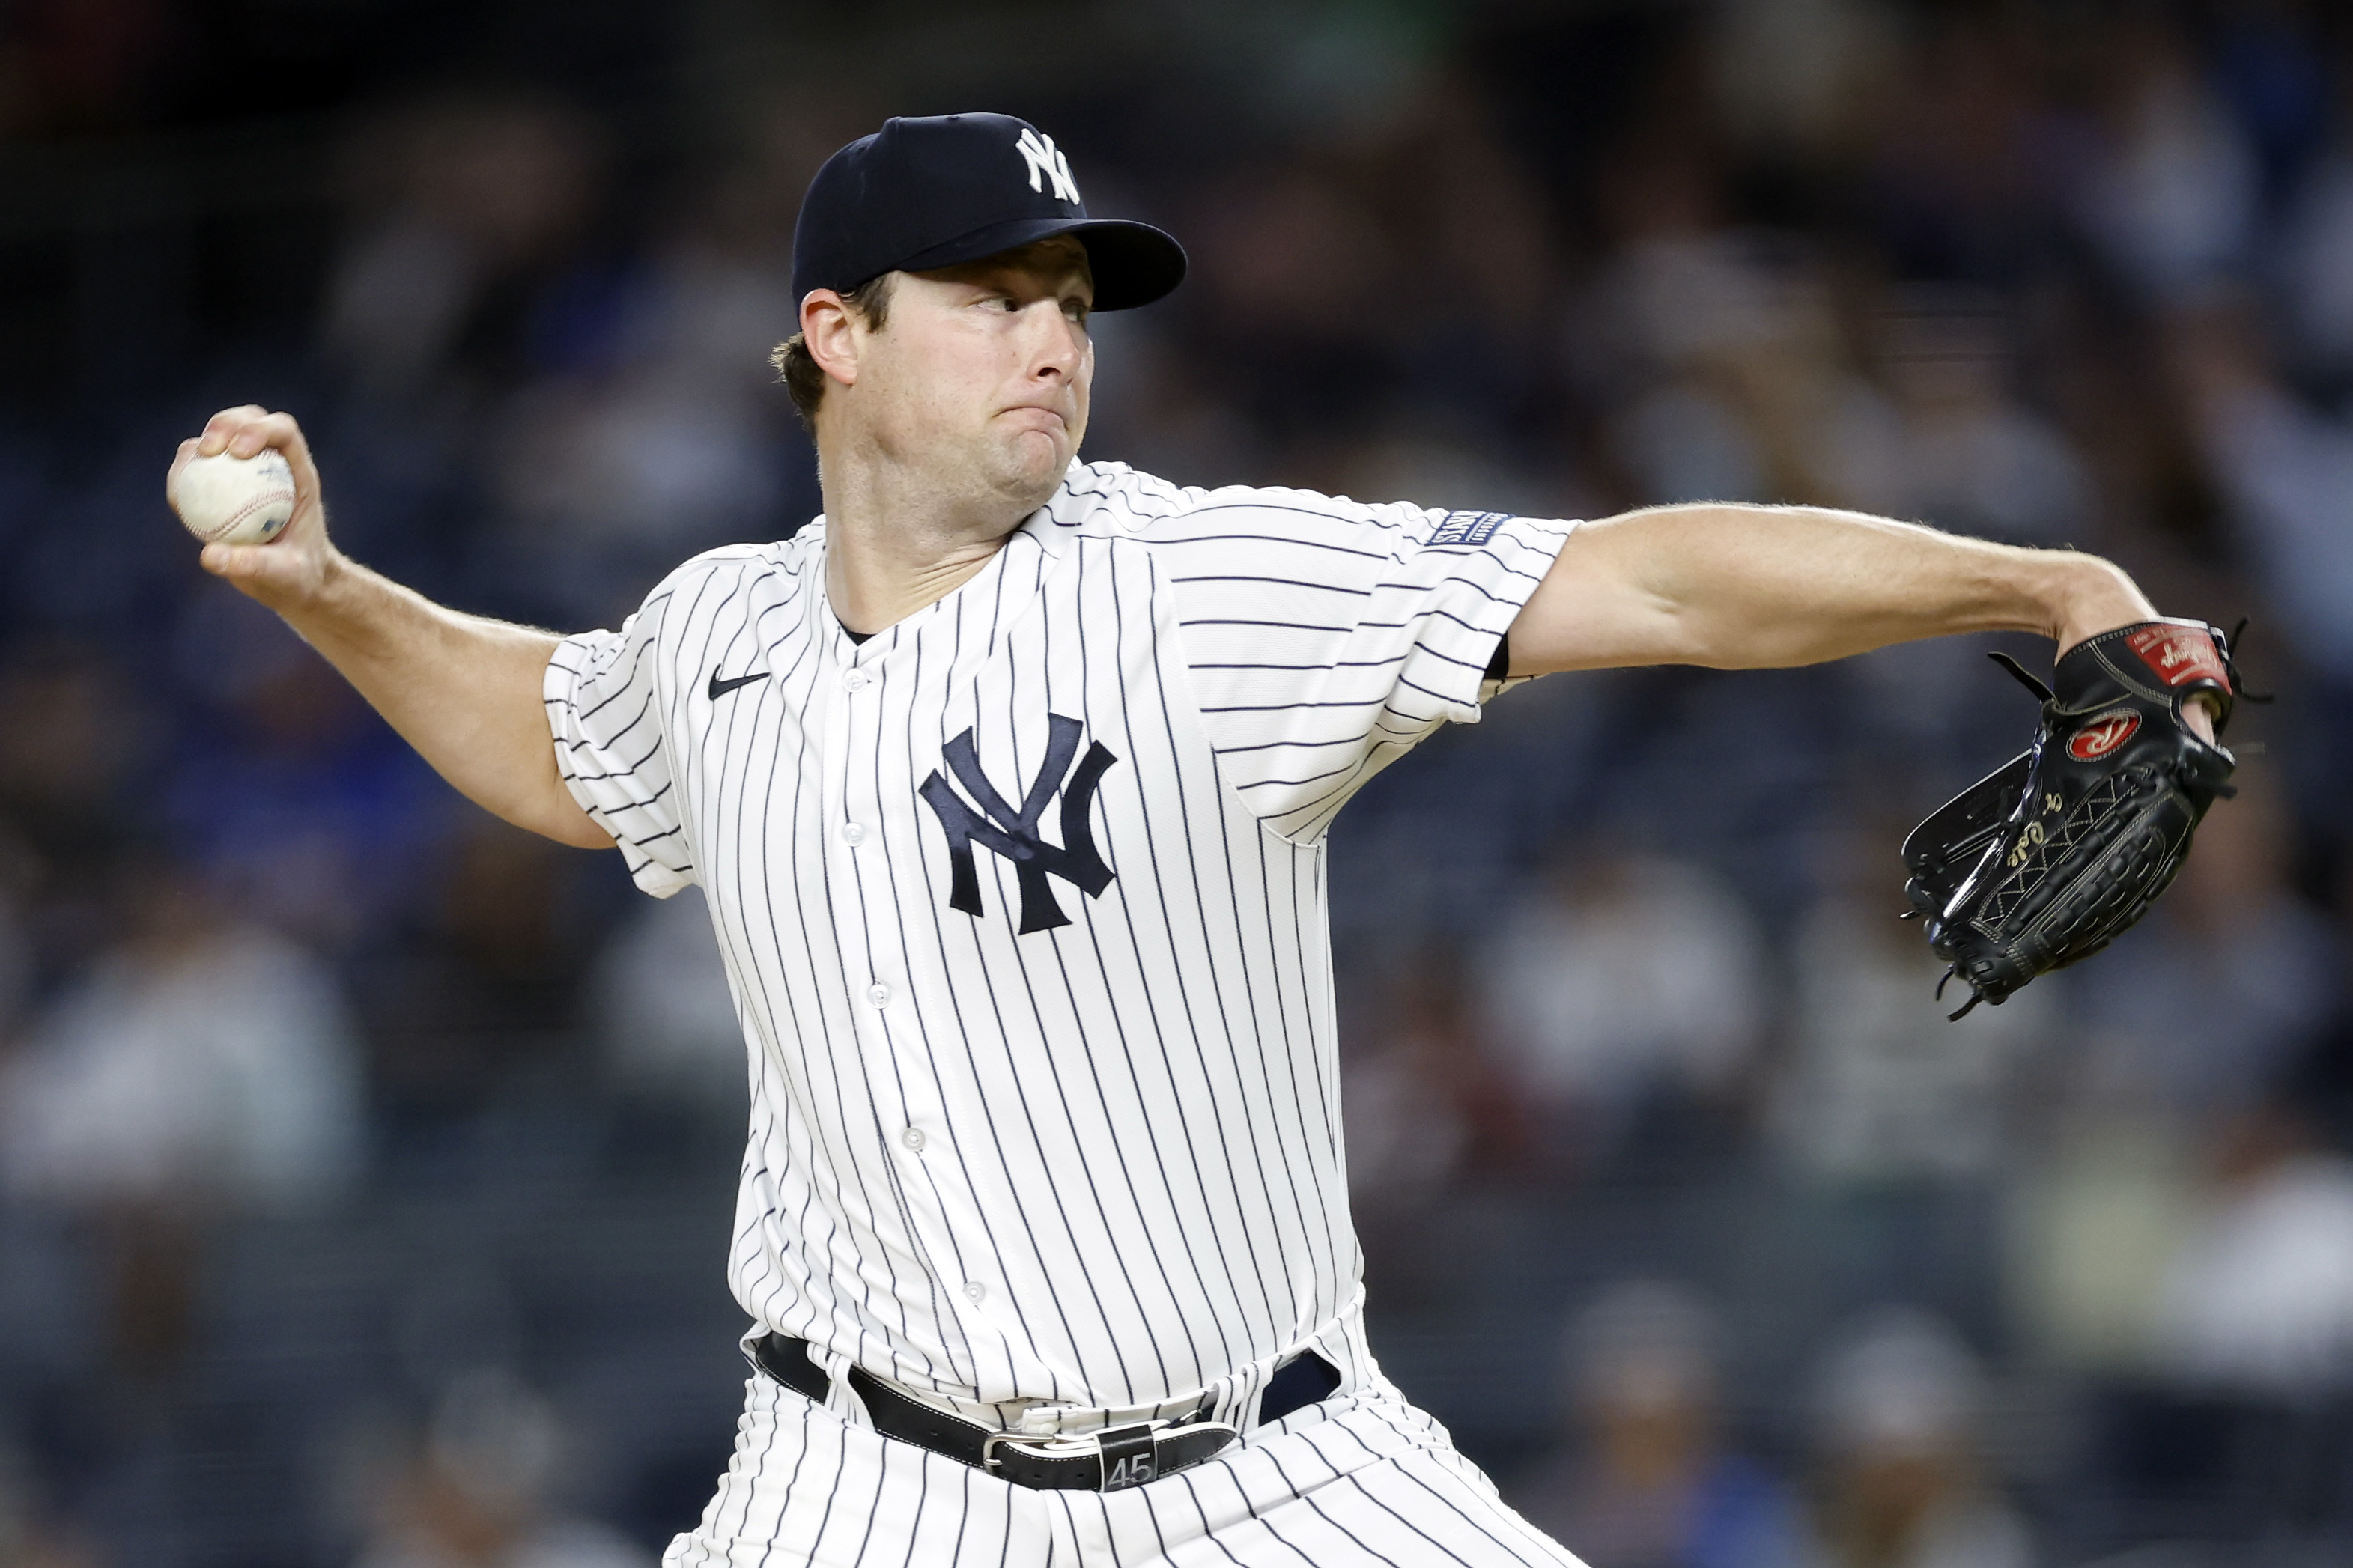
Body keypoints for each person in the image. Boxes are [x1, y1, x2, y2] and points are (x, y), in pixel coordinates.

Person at [173, 112, 2206, 1567]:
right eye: (989, 295)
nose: (1054, 335)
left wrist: (2030, 586)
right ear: (835, 334)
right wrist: (332, 594)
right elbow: (562, 742)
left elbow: (1646, 580)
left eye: (1072, 295)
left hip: (1276, 1479)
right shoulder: (719, 630)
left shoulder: (1202, 588)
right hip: (857, 1481)